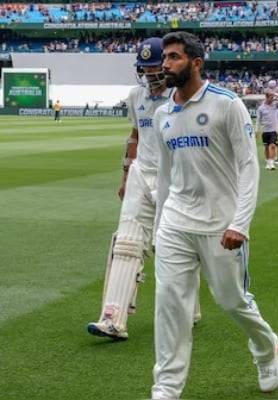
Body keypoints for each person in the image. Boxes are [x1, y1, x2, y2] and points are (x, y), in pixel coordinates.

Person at [152, 32, 278, 399]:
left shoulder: (227, 104)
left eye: (174, 57)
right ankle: (166, 388)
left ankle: (265, 345)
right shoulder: (163, 114)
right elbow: (166, 177)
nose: (166, 64)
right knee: (170, 304)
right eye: (165, 58)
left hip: (220, 225)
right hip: (177, 222)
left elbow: (248, 166)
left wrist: (240, 222)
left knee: (230, 300)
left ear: (196, 62)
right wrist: (159, 228)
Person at [87, 37, 186, 341]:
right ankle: (112, 318)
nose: (149, 76)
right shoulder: (136, 95)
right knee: (127, 243)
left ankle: (188, 308)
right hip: (142, 174)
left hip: (176, 178)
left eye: (154, 69)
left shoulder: (183, 96)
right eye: (144, 70)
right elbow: (135, 136)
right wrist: (126, 176)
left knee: (174, 247)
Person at [256, 89, 278, 170]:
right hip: (265, 130)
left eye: (273, 97)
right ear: (267, 97)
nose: (273, 99)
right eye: (271, 97)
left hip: (274, 130)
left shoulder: (275, 105)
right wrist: (257, 130)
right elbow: (258, 120)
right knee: (266, 147)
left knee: (272, 145)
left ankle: (271, 162)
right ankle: (268, 162)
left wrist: (276, 93)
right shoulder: (261, 108)